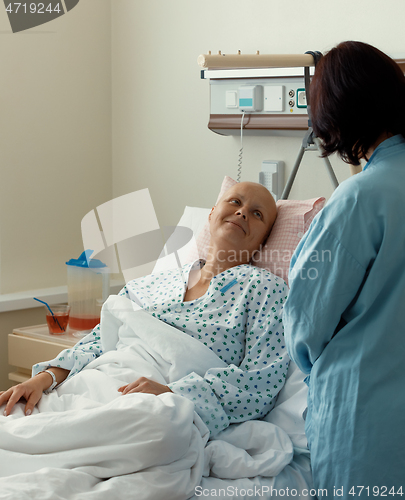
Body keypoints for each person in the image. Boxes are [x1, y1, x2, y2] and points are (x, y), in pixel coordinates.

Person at [1, 181, 290, 437]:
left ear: (264, 240)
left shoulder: (264, 289)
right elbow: (98, 341)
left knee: (153, 436)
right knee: (14, 414)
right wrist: (43, 379)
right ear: (212, 213)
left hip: (162, 404)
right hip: (99, 381)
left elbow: (260, 380)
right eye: (236, 202)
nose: (242, 213)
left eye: (257, 214)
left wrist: (172, 393)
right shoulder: (151, 283)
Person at [283, 41, 405, 495]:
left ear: (332, 112)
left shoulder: (358, 200)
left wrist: (314, 372)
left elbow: (306, 322)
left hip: (366, 419)